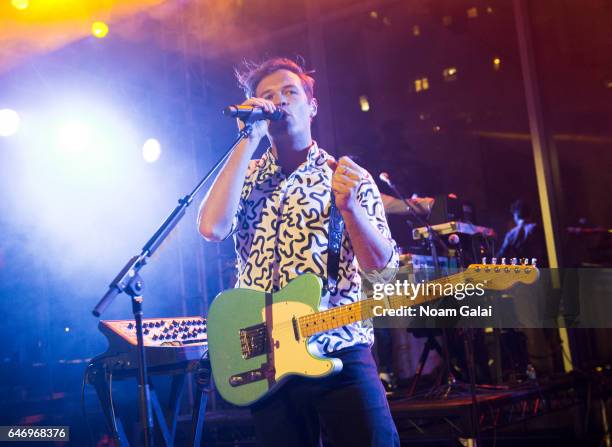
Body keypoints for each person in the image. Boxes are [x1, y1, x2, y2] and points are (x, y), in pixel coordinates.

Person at [197, 57, 400, 446]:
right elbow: (211, 228)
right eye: (267, 96)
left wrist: (352, 210)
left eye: (290, 92)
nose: (279, 101)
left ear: (312, 105)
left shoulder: (346, 176)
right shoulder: (247, 175)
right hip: (267, 360)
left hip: (339, 350)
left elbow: (383, 272)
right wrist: (247, 140)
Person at [497, 199, 546, 265]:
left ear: (516, 215)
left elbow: (501, 256)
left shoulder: (511, 234)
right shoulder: (538, 229)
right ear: (530, 214)